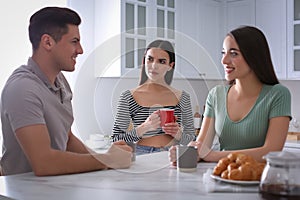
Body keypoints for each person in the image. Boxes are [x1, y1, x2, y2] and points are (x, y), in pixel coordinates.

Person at [0, 7, 132, 176]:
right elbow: (44, 163)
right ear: (47, 42)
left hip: (55, 188)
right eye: (74, 41)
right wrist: (106, 160)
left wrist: (105, 157)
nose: (81, 50)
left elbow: (67, 138)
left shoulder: (60, 81)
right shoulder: (22, 88)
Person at [169, 26, 291, 164]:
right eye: (223, 53)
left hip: (259, 180)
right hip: (223, 176)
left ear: (254, 56)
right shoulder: (216, 95)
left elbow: (271, 151)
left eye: (233, 54)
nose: (224, 60)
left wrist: (213, 156)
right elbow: (202, 147)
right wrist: (187, 153)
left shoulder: (278, 94)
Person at [112, 40, 195, 155]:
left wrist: (178, 134)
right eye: (150, 59)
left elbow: (192, 140)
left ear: (170, 66)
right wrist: (144, 128)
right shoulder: (128, 97)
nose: (154, 66)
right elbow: (116, 139)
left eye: (161, 61)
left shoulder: (183, 97)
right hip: (142, 154)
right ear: (144, 61)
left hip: (172, 155)